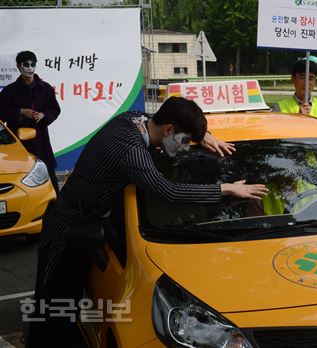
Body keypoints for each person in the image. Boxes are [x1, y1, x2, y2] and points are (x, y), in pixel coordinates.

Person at [25, 96, 269, 347]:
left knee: (67, 312)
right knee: (52, 312)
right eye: (185, 141)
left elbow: (169, 118)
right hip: (66, 232)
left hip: (84, 219)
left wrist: (204, 135)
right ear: (169, 130)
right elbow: (168, 192)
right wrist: (225, 189)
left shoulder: (133, 118)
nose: (185, 148)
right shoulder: (131, 150)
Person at [0, 50, 61, 193]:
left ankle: (54, 209)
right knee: (21, 175)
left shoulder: (45, 88)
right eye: (25, 64)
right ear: (18, 66)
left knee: (48, 174)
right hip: (18, 141)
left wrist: (43, 115)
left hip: (41, 139)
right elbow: (1, 112)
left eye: (32, 64)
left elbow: (55, 109)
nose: (29, 68)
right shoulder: (9, 91)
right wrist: (21, 111)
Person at [272, 59, 317, 126]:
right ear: (292, 79)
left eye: (311, 78)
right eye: (302, 77)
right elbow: (275, 133)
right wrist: (297, 120)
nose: (306, 83)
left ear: (315, 81)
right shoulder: (279, 108)